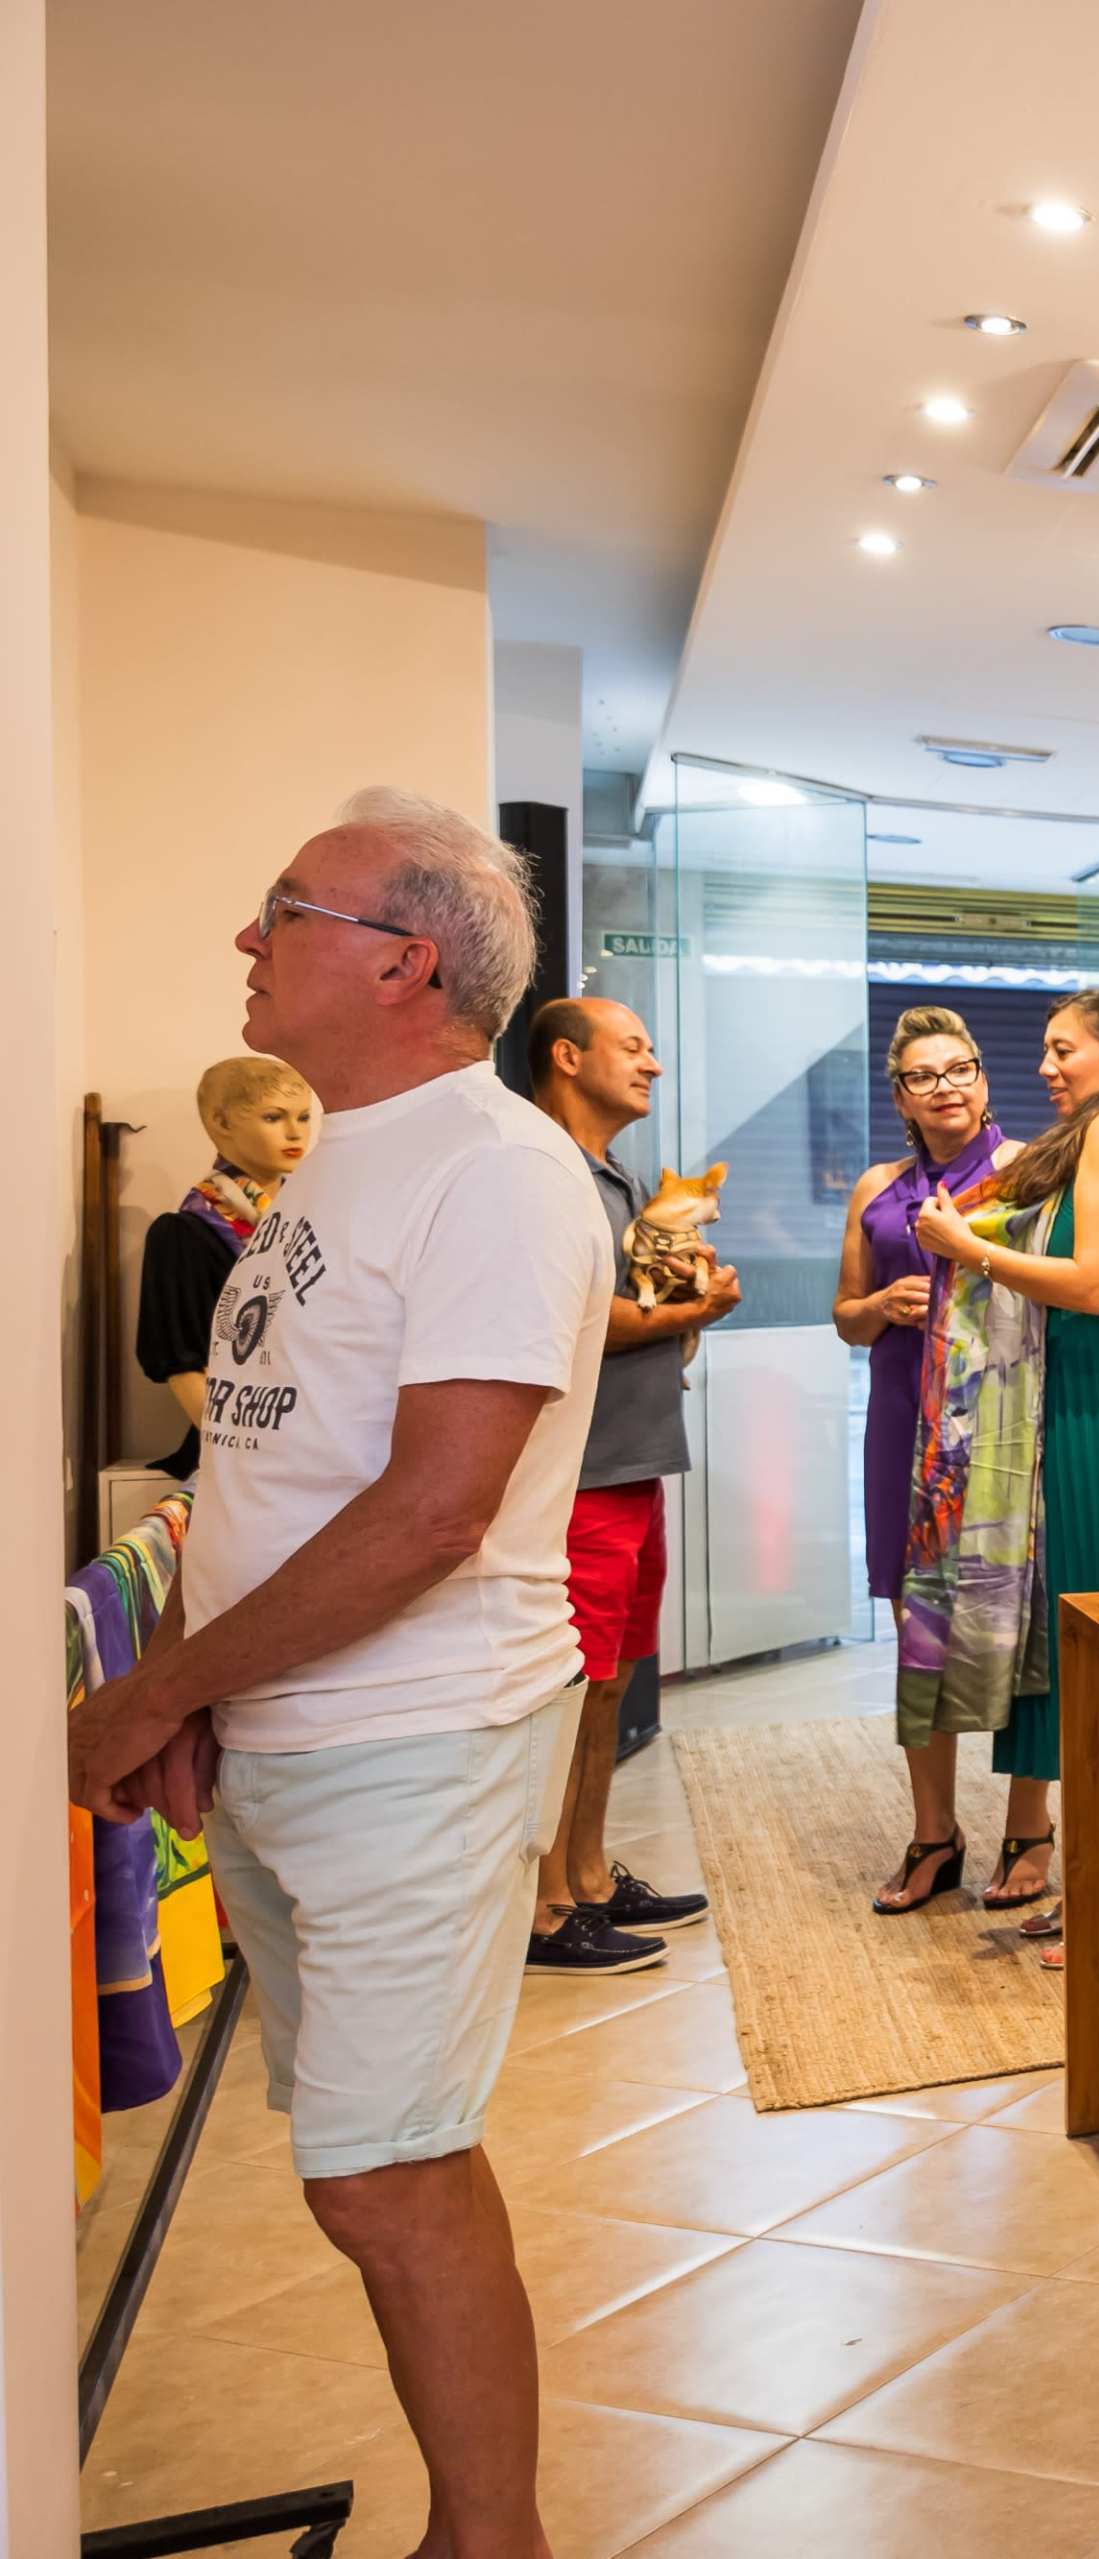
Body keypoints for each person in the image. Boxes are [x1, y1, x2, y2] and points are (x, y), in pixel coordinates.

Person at [66, 786, 610, 2559]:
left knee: (389, 2169)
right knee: (367, 2163)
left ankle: (493, 2536)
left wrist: (155, 1687)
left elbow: (437, 1509)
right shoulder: (358, 1151)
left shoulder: (499, 1167)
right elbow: (277, 1461)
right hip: (305, 1722)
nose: (246, 936)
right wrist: (209, 1682)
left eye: (281, 907)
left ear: (405, 959)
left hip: (415, 1735)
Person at [915, 986, 1099, 1968]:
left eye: (1063, 1049)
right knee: (1077, 1634)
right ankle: (1095, 1870)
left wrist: (969, 1253)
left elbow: (1095, 1284)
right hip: (1074, 1396)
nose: (1045, 1066)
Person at [521, 996, 732, 1974]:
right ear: (567, 1056)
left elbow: (638, 1309)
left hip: (632, 1461)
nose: (652, 1062)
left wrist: (691, 1303)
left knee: (609, 1685)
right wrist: (688, 1306)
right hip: (577, 1476)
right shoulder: (538, 1167)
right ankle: (545, 1904)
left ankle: (591, 1873)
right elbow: (579, 1319)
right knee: (572, 1688)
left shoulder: (620, 1177)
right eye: (632, 1046)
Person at [831, 1008, 1030, 1917]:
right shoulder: (878, 1184)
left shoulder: (1030, 1170)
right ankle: (935, 1833)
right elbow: (844, 1316)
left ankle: (1029, 1827)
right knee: (919, 1625)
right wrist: (882, 1301)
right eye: (924, 1074)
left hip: (1000, 1428)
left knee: (1014, 1621)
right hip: (901, 1418)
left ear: (985, 1078)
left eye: (963, 1067)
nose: (947, 1085)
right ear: (901, 1094)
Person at [138, 1054, 317, 1478]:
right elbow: (184, 1368)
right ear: (221, 1122)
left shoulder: (311, 1222)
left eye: (305, 1117)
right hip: (239, 1452)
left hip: (319, 1442)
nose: (295, 1133)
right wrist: (247, 1453)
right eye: (273, 1117)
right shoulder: (186, 1234)